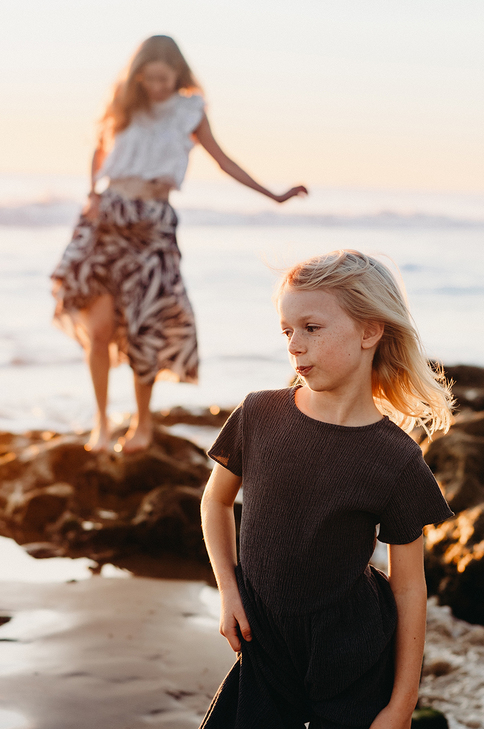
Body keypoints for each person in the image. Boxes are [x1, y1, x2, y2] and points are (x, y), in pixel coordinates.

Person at [161, 250, 456, 729]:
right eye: (287, 330)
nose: (294, 344)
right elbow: (214, 503)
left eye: (312, 328)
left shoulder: (395, 459)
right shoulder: (260, 415)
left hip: (353, 656)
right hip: (265, 644)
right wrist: (229, 592)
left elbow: (409, 586)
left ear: (370, 331)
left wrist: (402, 704)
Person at [52, 34, 308, 453]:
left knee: (146, 327)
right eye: (148, 78)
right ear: (138, 76)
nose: (156, 86)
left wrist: (273, 195)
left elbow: (223, 160)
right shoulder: (124, 105)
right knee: (98, 330)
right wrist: (92, 193)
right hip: (106, 224)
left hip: (153, 229)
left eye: (163, 78)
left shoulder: (190, 111)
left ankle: (142, 424)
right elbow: (99, 150)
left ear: (178, 74)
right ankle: (101, 423)